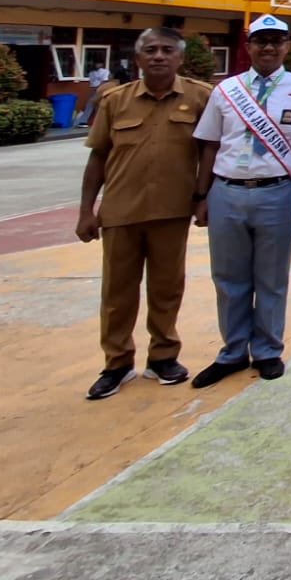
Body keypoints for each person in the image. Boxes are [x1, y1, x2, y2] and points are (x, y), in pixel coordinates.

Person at [77, 27, 214, 399]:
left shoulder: (201, 98)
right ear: (138, 59)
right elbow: (98, 156)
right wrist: (86, 210)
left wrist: (203, 197)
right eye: (150, 50)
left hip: (172, 210)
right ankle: (117, 362)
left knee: (167, 288)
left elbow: (210, 152)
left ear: (179, 58)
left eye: (167, 50)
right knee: (117, 292)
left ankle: (163, 356)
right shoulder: (115, 101)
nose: (158, 56)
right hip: (121, 210)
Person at [191, 15, 291, 387]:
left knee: (271, 278)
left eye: (276, 41)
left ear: (286, 46)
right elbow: (209, 145)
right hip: (227, 191)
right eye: (261, 41)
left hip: (277, 191)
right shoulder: (226, 90)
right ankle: (233, 351)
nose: (268, 48)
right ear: (248, 46)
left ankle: (267, 350)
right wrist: (201, 195)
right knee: (227, 278)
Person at [77, 60, 112, 128]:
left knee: (91, 104)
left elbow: (105, 81)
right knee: (96, 106)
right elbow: (92, 83)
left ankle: (83, 121)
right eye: (96, 64)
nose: (97, 65)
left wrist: (99, 88)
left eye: (99, 63)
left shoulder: (105, 71)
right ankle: (98, 122)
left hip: (101, 90)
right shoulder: (92, 73)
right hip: (94, 90)